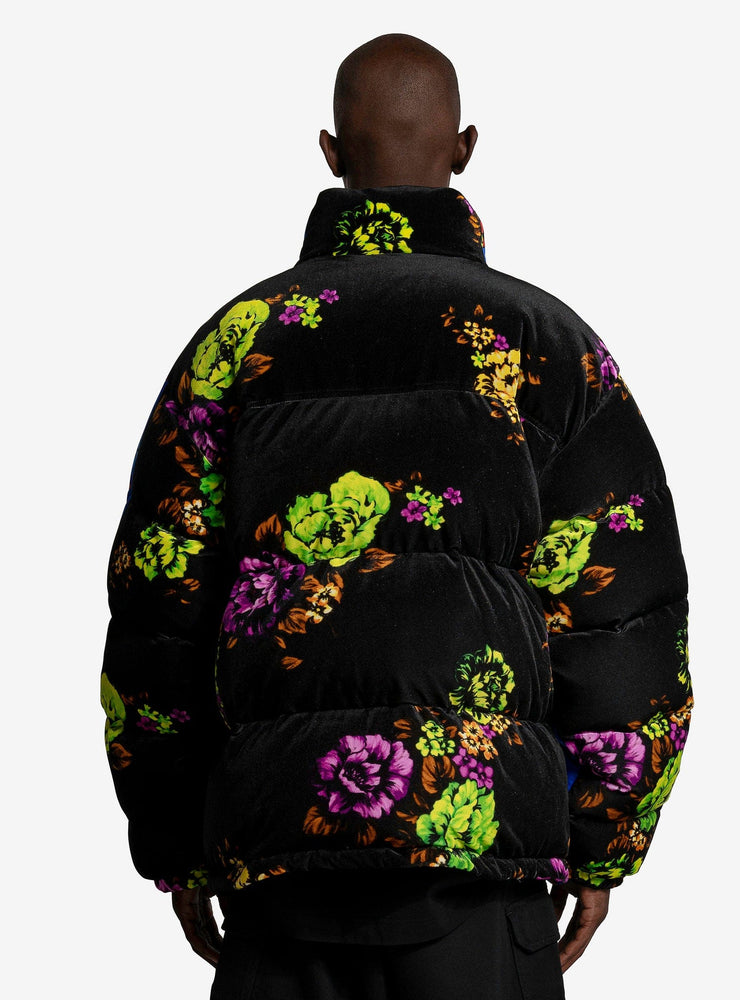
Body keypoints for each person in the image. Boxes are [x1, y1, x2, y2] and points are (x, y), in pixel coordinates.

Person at [101, 33, 691, 1000]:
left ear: (331, 152)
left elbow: (158, 611)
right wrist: (604, 840)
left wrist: (174, 842)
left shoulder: (234, 346)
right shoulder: (549, 347)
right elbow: (627, 613)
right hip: (481, 868)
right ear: (464, 148)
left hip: (279, 857)